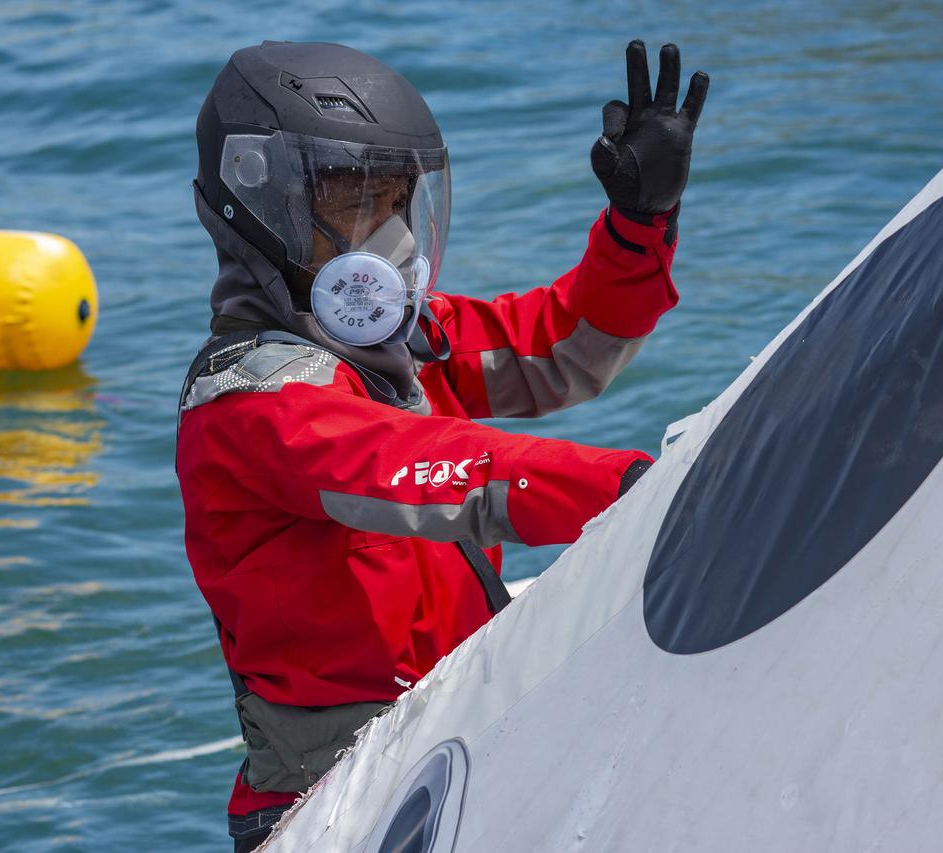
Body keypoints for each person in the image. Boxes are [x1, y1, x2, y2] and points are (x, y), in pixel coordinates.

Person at [177, 37, 708, 851]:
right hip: (338, 802)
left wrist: (638, 227)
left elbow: (566, 346)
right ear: (263, 208)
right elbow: (438, 475)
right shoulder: (250, 407)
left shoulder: (400, 343)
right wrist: (646, 485)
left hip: (455, 729)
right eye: (359, 209)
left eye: (397, 205)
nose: (389, 239)